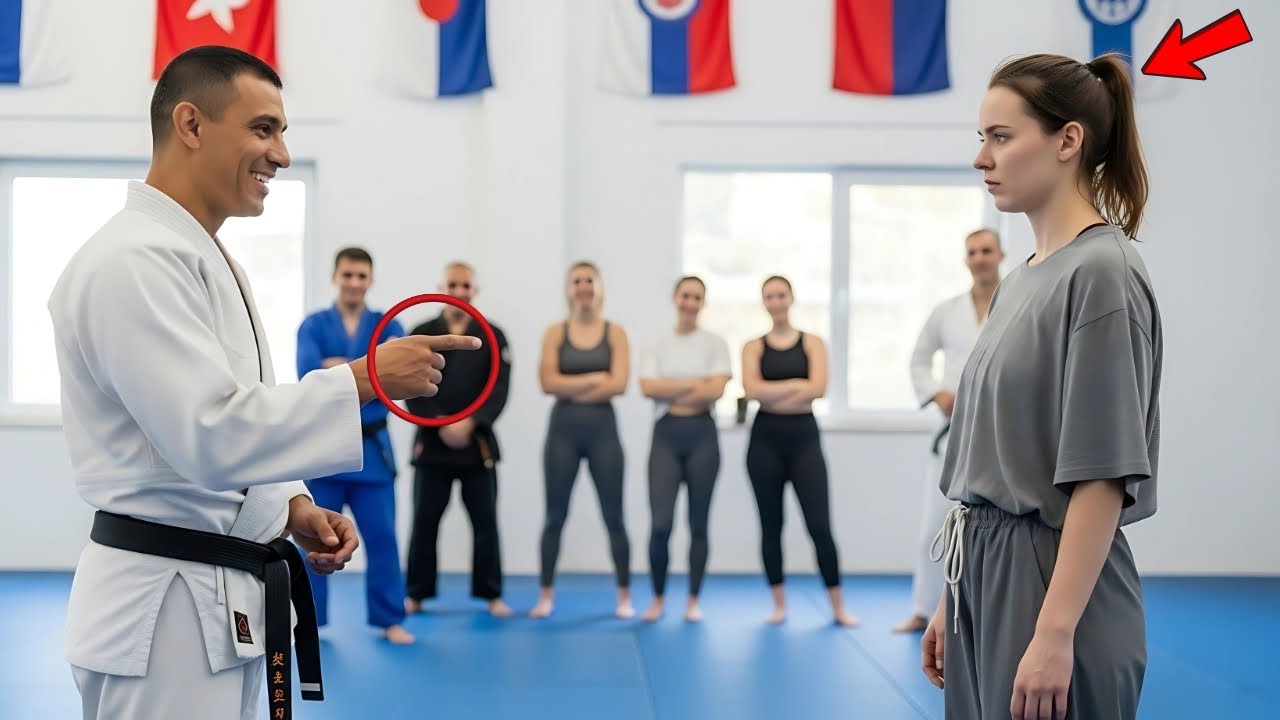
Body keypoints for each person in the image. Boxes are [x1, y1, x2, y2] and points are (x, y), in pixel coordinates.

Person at [45, 45, 480, 720]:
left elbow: (226, 424)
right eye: (263, 129)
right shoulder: (132, 261)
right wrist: (365, 379)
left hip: (212, 599)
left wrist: (292, 508)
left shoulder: (201, 257)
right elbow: (209, 435)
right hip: (163, 613)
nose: (280, 154)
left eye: (282, 133)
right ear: (191, 125)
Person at [921, 52, 1160, 720]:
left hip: (1053, 587)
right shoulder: (1021, 279)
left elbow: (1103, 475)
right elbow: (987, 469)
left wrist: (1054, 634)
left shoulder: (1103, 273)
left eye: (1001, 137)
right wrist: (954, 597)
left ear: (1068, 140)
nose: (982, 158)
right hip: (983, 577)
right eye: (981, 139)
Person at [295, 247, 414, 645]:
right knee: (316, 540)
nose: (354, 282)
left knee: (382, 539)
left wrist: (340, 367)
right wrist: (367, 368)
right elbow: (309, 375)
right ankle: (308, 620)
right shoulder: (313, 325)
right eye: (348, 275)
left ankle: (389, 618)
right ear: (335, 276)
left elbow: (394, 381)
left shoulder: (388, 325)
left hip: (372, 454)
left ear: (370, 280)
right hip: (324, 450)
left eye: (361, 276)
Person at [892, 229, 1005, 634]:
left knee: (1002, 527)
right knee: (933, 527)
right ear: (966, 259)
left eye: (987, 251)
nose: (980, 258)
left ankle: (989, 616)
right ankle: (923, 611)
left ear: (1000, 254)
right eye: (973, 252)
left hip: (1002, 429)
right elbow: (919, 359)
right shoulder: (947, 310)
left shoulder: (1017, 301)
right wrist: (936, 393)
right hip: (953, 429)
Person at [741, 276, 858, 627]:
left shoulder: (812, 342)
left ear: (791, 298)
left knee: (819, 525)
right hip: (764, 441)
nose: (775, 301)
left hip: (804, 438)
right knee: (771, 525)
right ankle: (779, 605)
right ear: (764, 302)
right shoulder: (753, 346)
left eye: (781, 295)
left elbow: (819, 388)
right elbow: (750, 390)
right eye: (769, 296)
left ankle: (837, 607)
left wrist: (772, 390)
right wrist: (796, 386)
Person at [403, 261, 514, 618]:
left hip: (476, 441)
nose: (460, 291)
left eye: (466, 286)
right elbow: (409, 384)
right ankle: (416, 594)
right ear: (442, 287)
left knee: (485, 522)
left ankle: (491, 594)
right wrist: (440, 422)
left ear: (474, 290)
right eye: (453, 284)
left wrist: (471, 422)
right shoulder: (422, 331)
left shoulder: (492, 335)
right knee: (424, 521)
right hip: (432, 440)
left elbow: (499, 388)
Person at [530, 261, 633, 619]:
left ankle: (623, 595)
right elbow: (547, 383)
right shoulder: (555, 333)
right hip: (563, 432)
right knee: (554, 516)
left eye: (590, 280)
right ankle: (545, 595)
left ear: (600, 287)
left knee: (614, 516)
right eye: (577, 281)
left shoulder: (615, 333)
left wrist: (570, 384)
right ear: (568, 288)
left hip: (604, 431)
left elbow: (618, 384)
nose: (584, 286)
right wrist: (595, 379)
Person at [638, 276, 732, 623]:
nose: (690, 302)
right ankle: (658, 598)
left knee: (699, 523)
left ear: (702, 302)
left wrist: (671, 387)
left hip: (702, 435)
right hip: (666, 434)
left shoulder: (715, 343)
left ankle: (693, 599)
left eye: (697, 297)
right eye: (685, 295)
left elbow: (717, 390)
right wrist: (697, 382)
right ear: (675, 298)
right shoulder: (658, 343)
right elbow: (648, 387)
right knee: (660, 523)